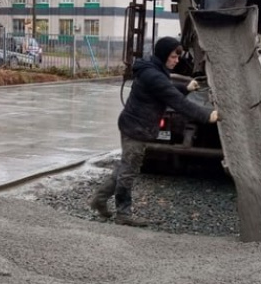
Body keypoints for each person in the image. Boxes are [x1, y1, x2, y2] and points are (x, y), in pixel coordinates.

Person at [87, 37, 219, 226]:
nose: (177, 60)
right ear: (164, 55)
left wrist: (185, 87)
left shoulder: (153, 69)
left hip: (133, 124)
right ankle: (123, 214)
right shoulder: (154, 75)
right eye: (173, 57)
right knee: (128, 171)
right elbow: (177, 102)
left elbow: (165, 87)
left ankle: (99, 200)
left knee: (126, 166)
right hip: (136, 128)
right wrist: (208, 115)